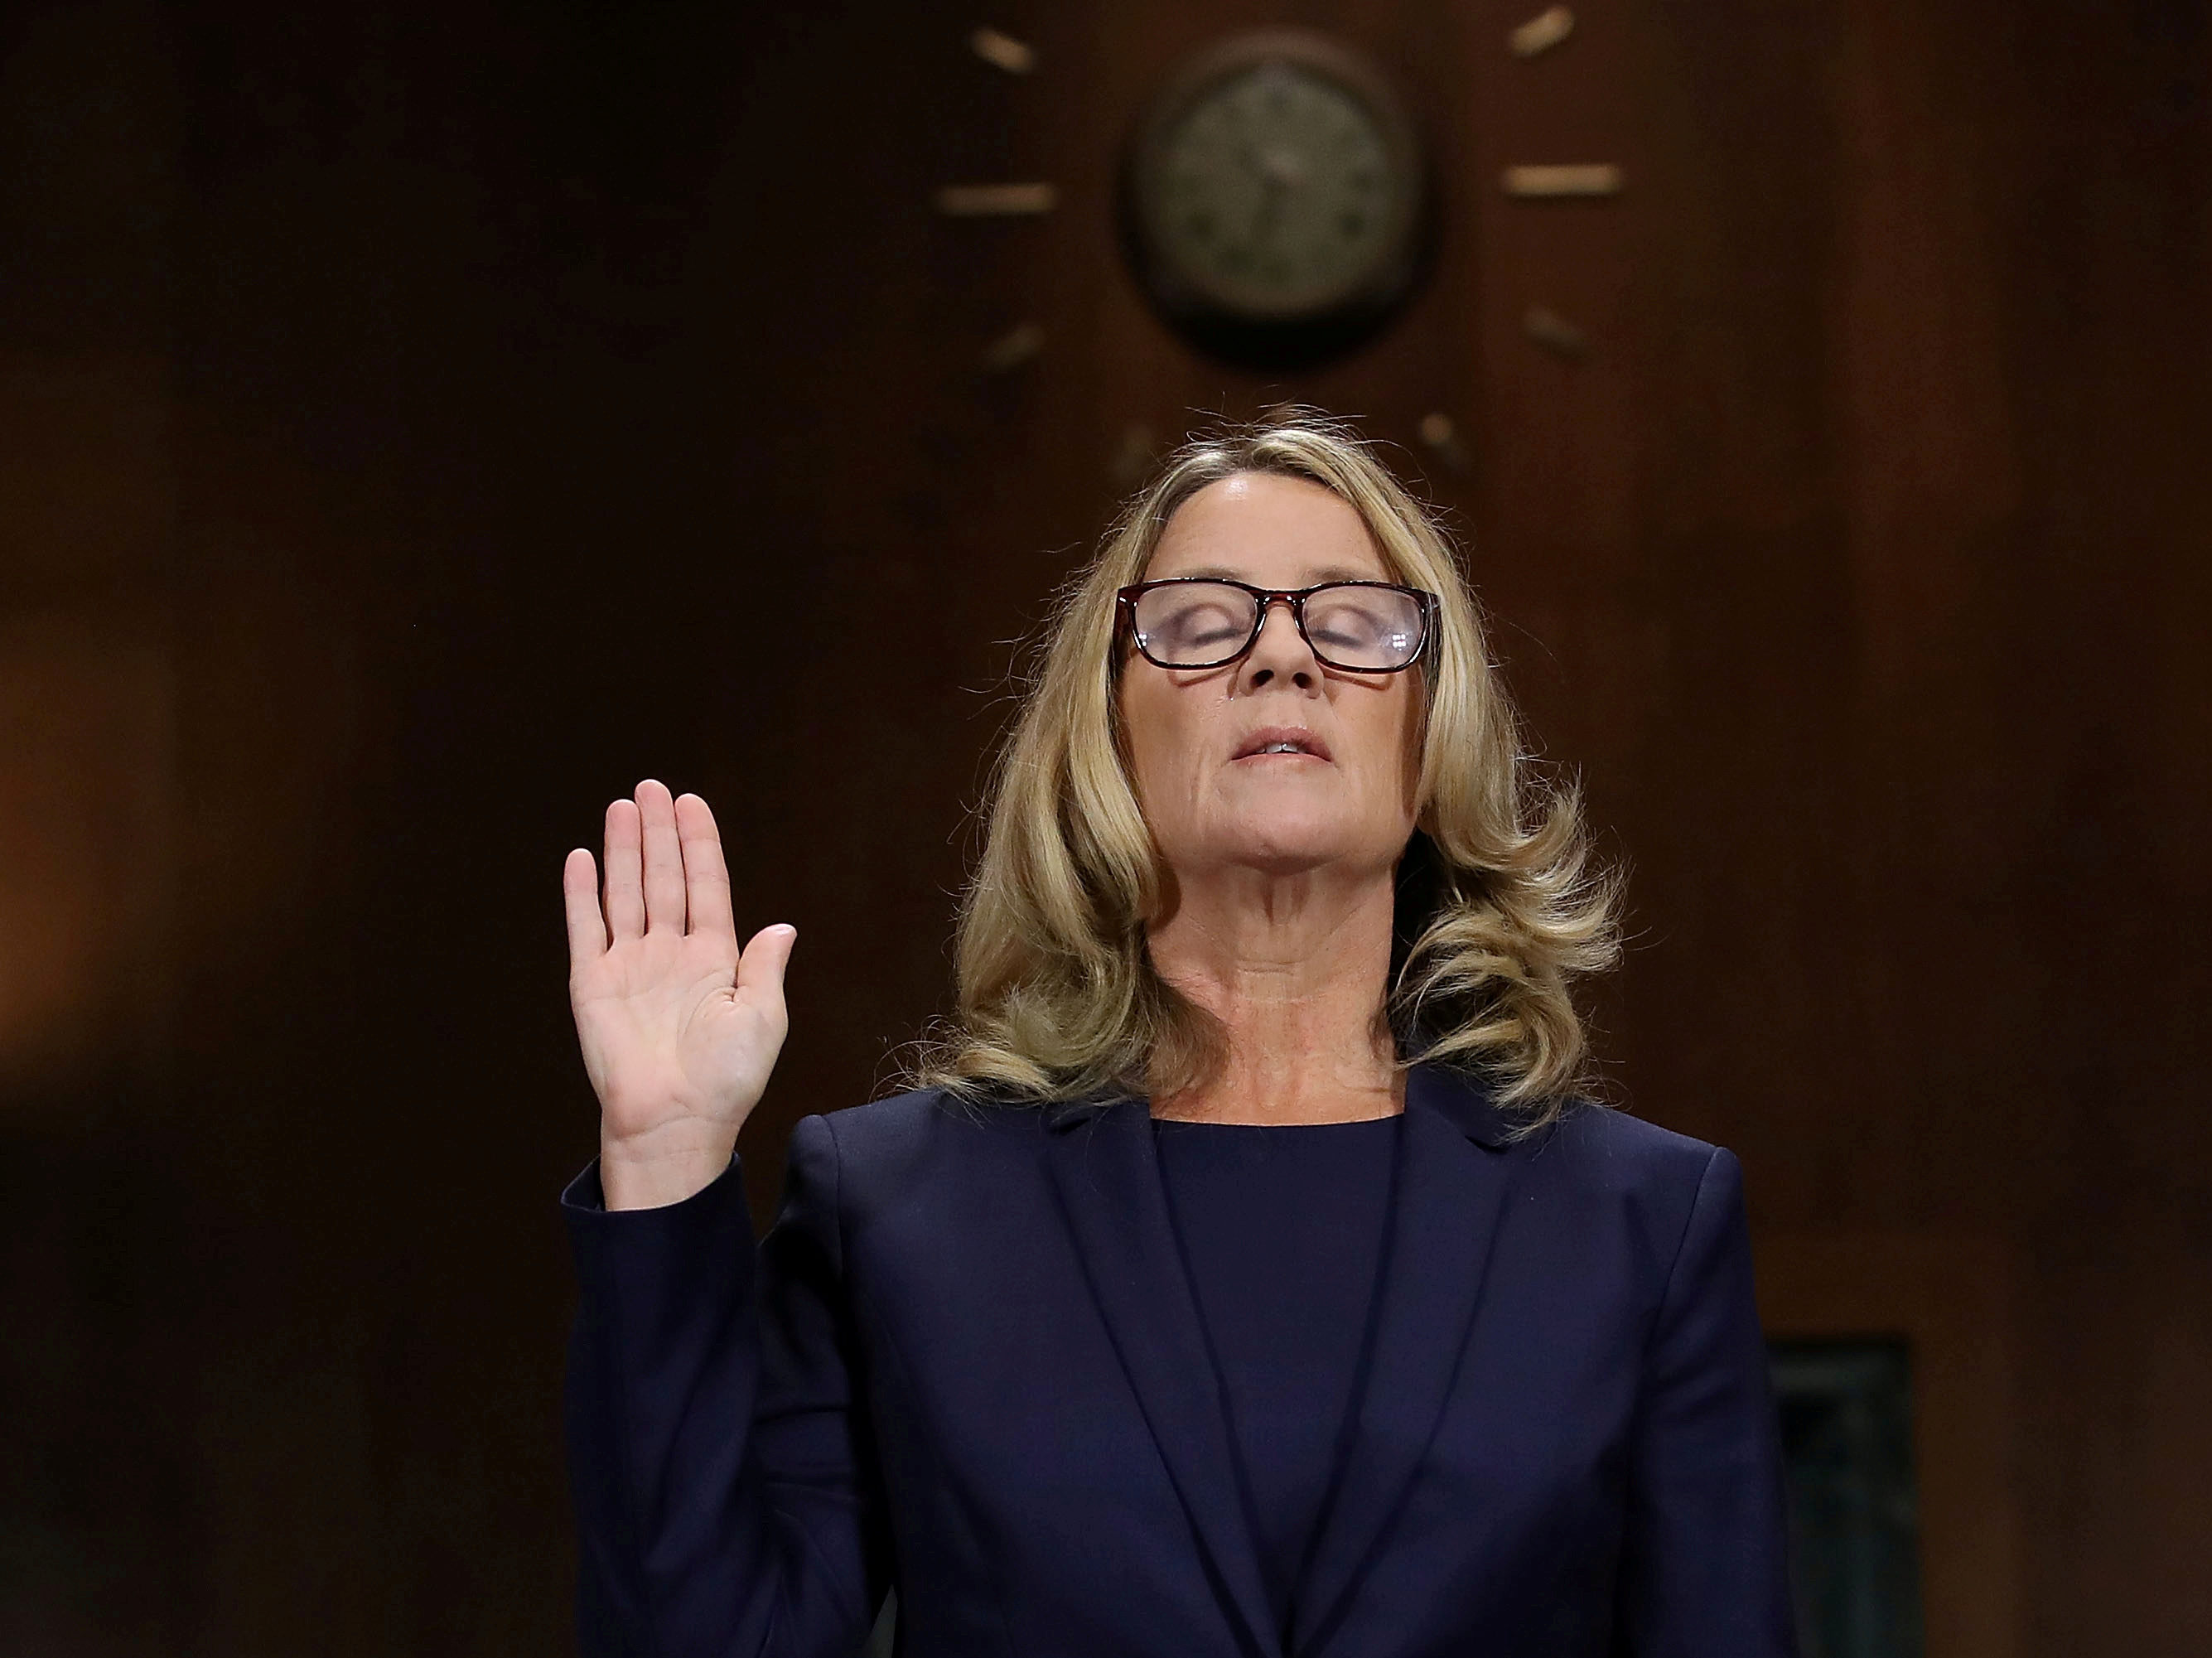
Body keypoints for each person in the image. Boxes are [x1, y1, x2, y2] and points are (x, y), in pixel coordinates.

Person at [558, 413, 1797, 1658]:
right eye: (1204, 623)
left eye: (1354, 623)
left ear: (1428, 744)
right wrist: (663, 1160)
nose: (1282, 657)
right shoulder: (894, 1206)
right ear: (1110, 732)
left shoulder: (1643, 1222)